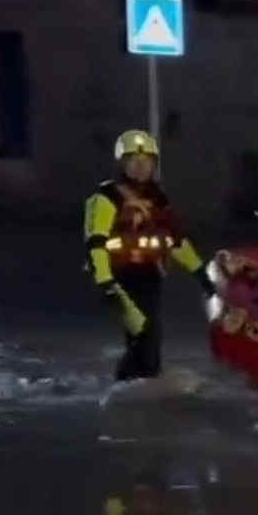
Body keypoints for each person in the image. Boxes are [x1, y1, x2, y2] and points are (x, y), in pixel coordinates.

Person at [82, 130, 216, 382]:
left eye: (148, 162)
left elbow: (177, 241)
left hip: (150, 275)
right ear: (123, 163)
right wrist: (105, 282)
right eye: (135, 161)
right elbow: (96, 241)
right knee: (142, 331)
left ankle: (143, 381)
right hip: (120, 277)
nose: (142, 167)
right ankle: (127, 383)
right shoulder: (107, 197)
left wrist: (202, 276)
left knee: (150, 334)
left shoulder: (157, 198)